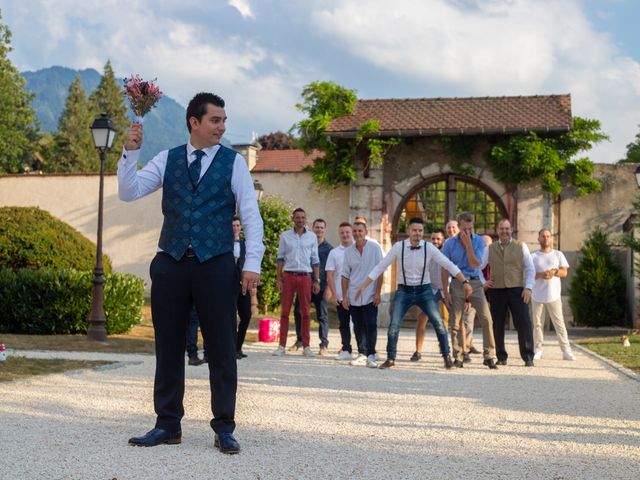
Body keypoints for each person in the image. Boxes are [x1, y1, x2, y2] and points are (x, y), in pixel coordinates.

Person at [119, 92, 264, 454]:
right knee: (167, 346)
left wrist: (251, 263)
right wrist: (130, 153)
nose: (223, 127)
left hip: (215, 263)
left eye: (224, 121)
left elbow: (251, 216)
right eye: (215, 120)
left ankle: (224, 427)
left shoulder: (233, 163)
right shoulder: (167, 159)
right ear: (194, 123)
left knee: (222, 346)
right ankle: (167, 424)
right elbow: (128, 192)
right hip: (170, 261)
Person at [356, 218, 470, 369]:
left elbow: (447, 263)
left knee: (439, 324)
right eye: (414, 230)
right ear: (408, 231)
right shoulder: (399, 247)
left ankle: (447, 356)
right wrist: (364, 286)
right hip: (404, 290)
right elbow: (381, 266)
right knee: (394, 324)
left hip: (425, 290)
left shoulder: (429, 248)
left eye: (420, 231)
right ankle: (391, 358)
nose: (417, 233)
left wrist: (465, 282)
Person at [441, 212, 498, 369]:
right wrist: (445, 292)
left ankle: (489, 355)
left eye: (470, 228)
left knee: (487, 319)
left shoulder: (479, 241)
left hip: (475, 283)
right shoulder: (449, 244)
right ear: (458, 227)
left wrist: (468, 245)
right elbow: (445, 268)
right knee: (456, 322)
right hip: (457, 283)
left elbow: (475, 264)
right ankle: (458, 356)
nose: (468, 232)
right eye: (465, 229)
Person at [486, 219, 535, 366]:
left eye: (507, 229)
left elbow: (530, 268)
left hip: (517, 289)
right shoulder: (489, 248)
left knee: (524, 323)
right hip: (496, 290)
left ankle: (528, 357)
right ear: (497, 231)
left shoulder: (521, 246)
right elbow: (478, 267)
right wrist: (484, 282)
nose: (504, 231)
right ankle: (501, 356)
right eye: (501, 229)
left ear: (511, 230)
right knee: (497, 324)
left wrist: (528, 287)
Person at [272, 208, 321, 357]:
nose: (300, 220)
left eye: (303, 217)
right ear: (292, 218)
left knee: (306, 312)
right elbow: (280, 258)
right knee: (285, 312)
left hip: (305, 276)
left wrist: (317, 280)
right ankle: (281, 346)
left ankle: (306, 346)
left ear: (306, 219)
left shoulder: (312, 237)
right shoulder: (285, 236)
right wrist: (279, 279)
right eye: (297, 217)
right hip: (288, 276)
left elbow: (315, 260)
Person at [341, 221, 384, 368]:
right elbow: (345, 275)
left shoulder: (375, 247)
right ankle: (362, 353)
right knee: (358, 325)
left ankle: (371, 354)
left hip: (371, 294)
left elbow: (380, 271)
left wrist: (378, 292)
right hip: (354, 295)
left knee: (371, 324)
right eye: (355, 231)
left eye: (360, 231)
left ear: (365, 232)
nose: (357, 233)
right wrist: (345, 296)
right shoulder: (348, 251)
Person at [531, 228, 575, 361]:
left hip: (554, 295)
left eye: (548, 236)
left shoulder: (558, 254)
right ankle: (538, 349)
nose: (545, 239)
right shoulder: (533, 256)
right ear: (538, 238)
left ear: (551, 238)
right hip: (537, 295)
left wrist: (554, 272)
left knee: (559, 324)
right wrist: (541, 275)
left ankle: (566, 351)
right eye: (543, 236)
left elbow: (564, 272)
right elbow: (528, 274)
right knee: (537, 324)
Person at [291, 219, 333, 355]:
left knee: (322, 316)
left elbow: (331, 270)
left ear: (325, 230)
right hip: (304, 284)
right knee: (298, 312)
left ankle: (324, 344)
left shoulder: (329, 249)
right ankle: (300, 340)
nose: (319, 230)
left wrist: (329, 288)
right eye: (317, 227)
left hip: (321, 287)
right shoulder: (306, 244)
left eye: (321, 227)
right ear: (313, 229)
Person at [411, 228, 448, 362]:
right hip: (429, 288)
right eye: (433, 239)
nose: (435, 241)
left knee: (456, 318)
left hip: (445, 288)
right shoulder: (424, 251)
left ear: (443, 240)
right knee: (421, 318)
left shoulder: (447, 251)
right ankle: (418, 351)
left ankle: (460, 351)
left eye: (438, 239)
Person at [325, 222, 357, 360]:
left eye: (347, 232)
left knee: (361, 323)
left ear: (352, 233)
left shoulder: (360, 249)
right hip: (341, 295)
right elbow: (330, 275)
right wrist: (333, 294)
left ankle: (365, 350)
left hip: (358, 295)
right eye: (342, 233)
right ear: (339, 234)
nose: (345, 235)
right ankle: (346, 349)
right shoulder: (334, 253)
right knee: (343, 324)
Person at [233, 217, 253, 360]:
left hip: (243, 284)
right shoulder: (224, 244)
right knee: (229, 317)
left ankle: (238, 347)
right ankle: (230, 348)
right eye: (233, 225)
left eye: (238, 225)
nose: (235, 227)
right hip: (228, 285)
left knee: (246, 315)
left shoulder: (245, 245)